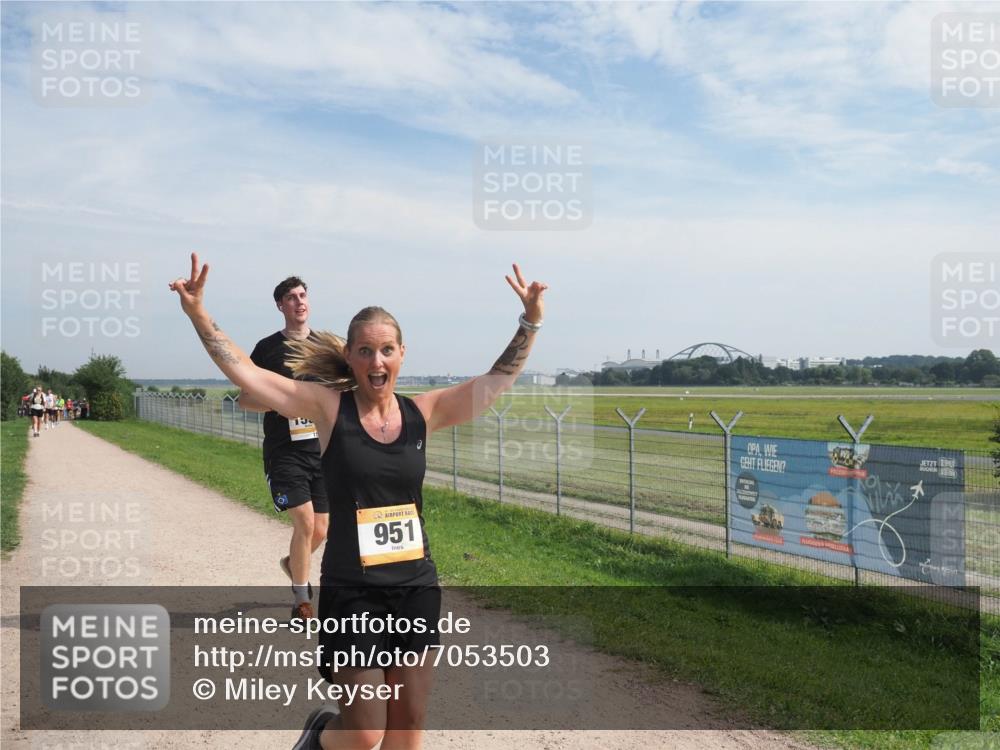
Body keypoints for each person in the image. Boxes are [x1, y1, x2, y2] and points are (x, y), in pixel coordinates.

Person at [170, 253, 547, 750]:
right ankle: (318, 736)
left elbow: (493, 385)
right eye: (365, 351)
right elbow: (250, 376)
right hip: (354, 592)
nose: (377, 362)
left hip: (415, 585)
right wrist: (198, 312)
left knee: (407, 732)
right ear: (349, 356)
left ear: (402, 354)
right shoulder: (328, 409)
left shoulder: (423, 412)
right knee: (366, 732)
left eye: (387, 350)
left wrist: (529, 322)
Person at [239, 276, 330, 622]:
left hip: (321, 451)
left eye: (303, 295)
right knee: (304, 522)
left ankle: (293, 564)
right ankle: (301, 601)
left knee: (321, 528)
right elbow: (245, 399)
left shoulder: (326, 347)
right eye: (291, 297)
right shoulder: (267, 349)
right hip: (284, 451)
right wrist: (281, 405)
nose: (299, 301)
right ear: (280, 305)